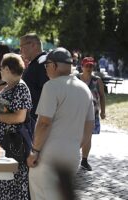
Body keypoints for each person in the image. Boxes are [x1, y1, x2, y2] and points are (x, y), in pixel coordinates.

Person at [27, 47, 95, 200]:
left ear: (55, 65)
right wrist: (73, 146)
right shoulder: (85, 89)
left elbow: (44, 123)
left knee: (41, 195)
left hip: (48, 155)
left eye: (47, 65)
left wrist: (35, 151)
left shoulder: (51, 86)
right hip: (72, 154)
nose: (45, 69)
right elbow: (89, 127)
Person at [0, 53, 32, 199]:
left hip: (10, 147)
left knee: (9, 188)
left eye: (1, 68)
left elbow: (19, 117)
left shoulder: (20, 88)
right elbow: (3, 107)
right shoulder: (9, 86)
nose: (0, 71)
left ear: (8, 69)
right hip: (1, 147)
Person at [77, 57, 106, 171]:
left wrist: (103, 111)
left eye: (91, 66)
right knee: (75, 136)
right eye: (87, 66)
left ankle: (84, 160)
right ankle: (72, 158)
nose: (89, 68)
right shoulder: (75, 78)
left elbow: (102, 96)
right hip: (76, 112)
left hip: (92, 113)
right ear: (82, 66)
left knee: (88, 137)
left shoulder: (97, 80)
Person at [20, 33, 49, 121]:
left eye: (22, 46)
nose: (20, 50)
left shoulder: (42, 63)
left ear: (33, 45)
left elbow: (48, 95)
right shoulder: (37, 63)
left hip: (38, 121)